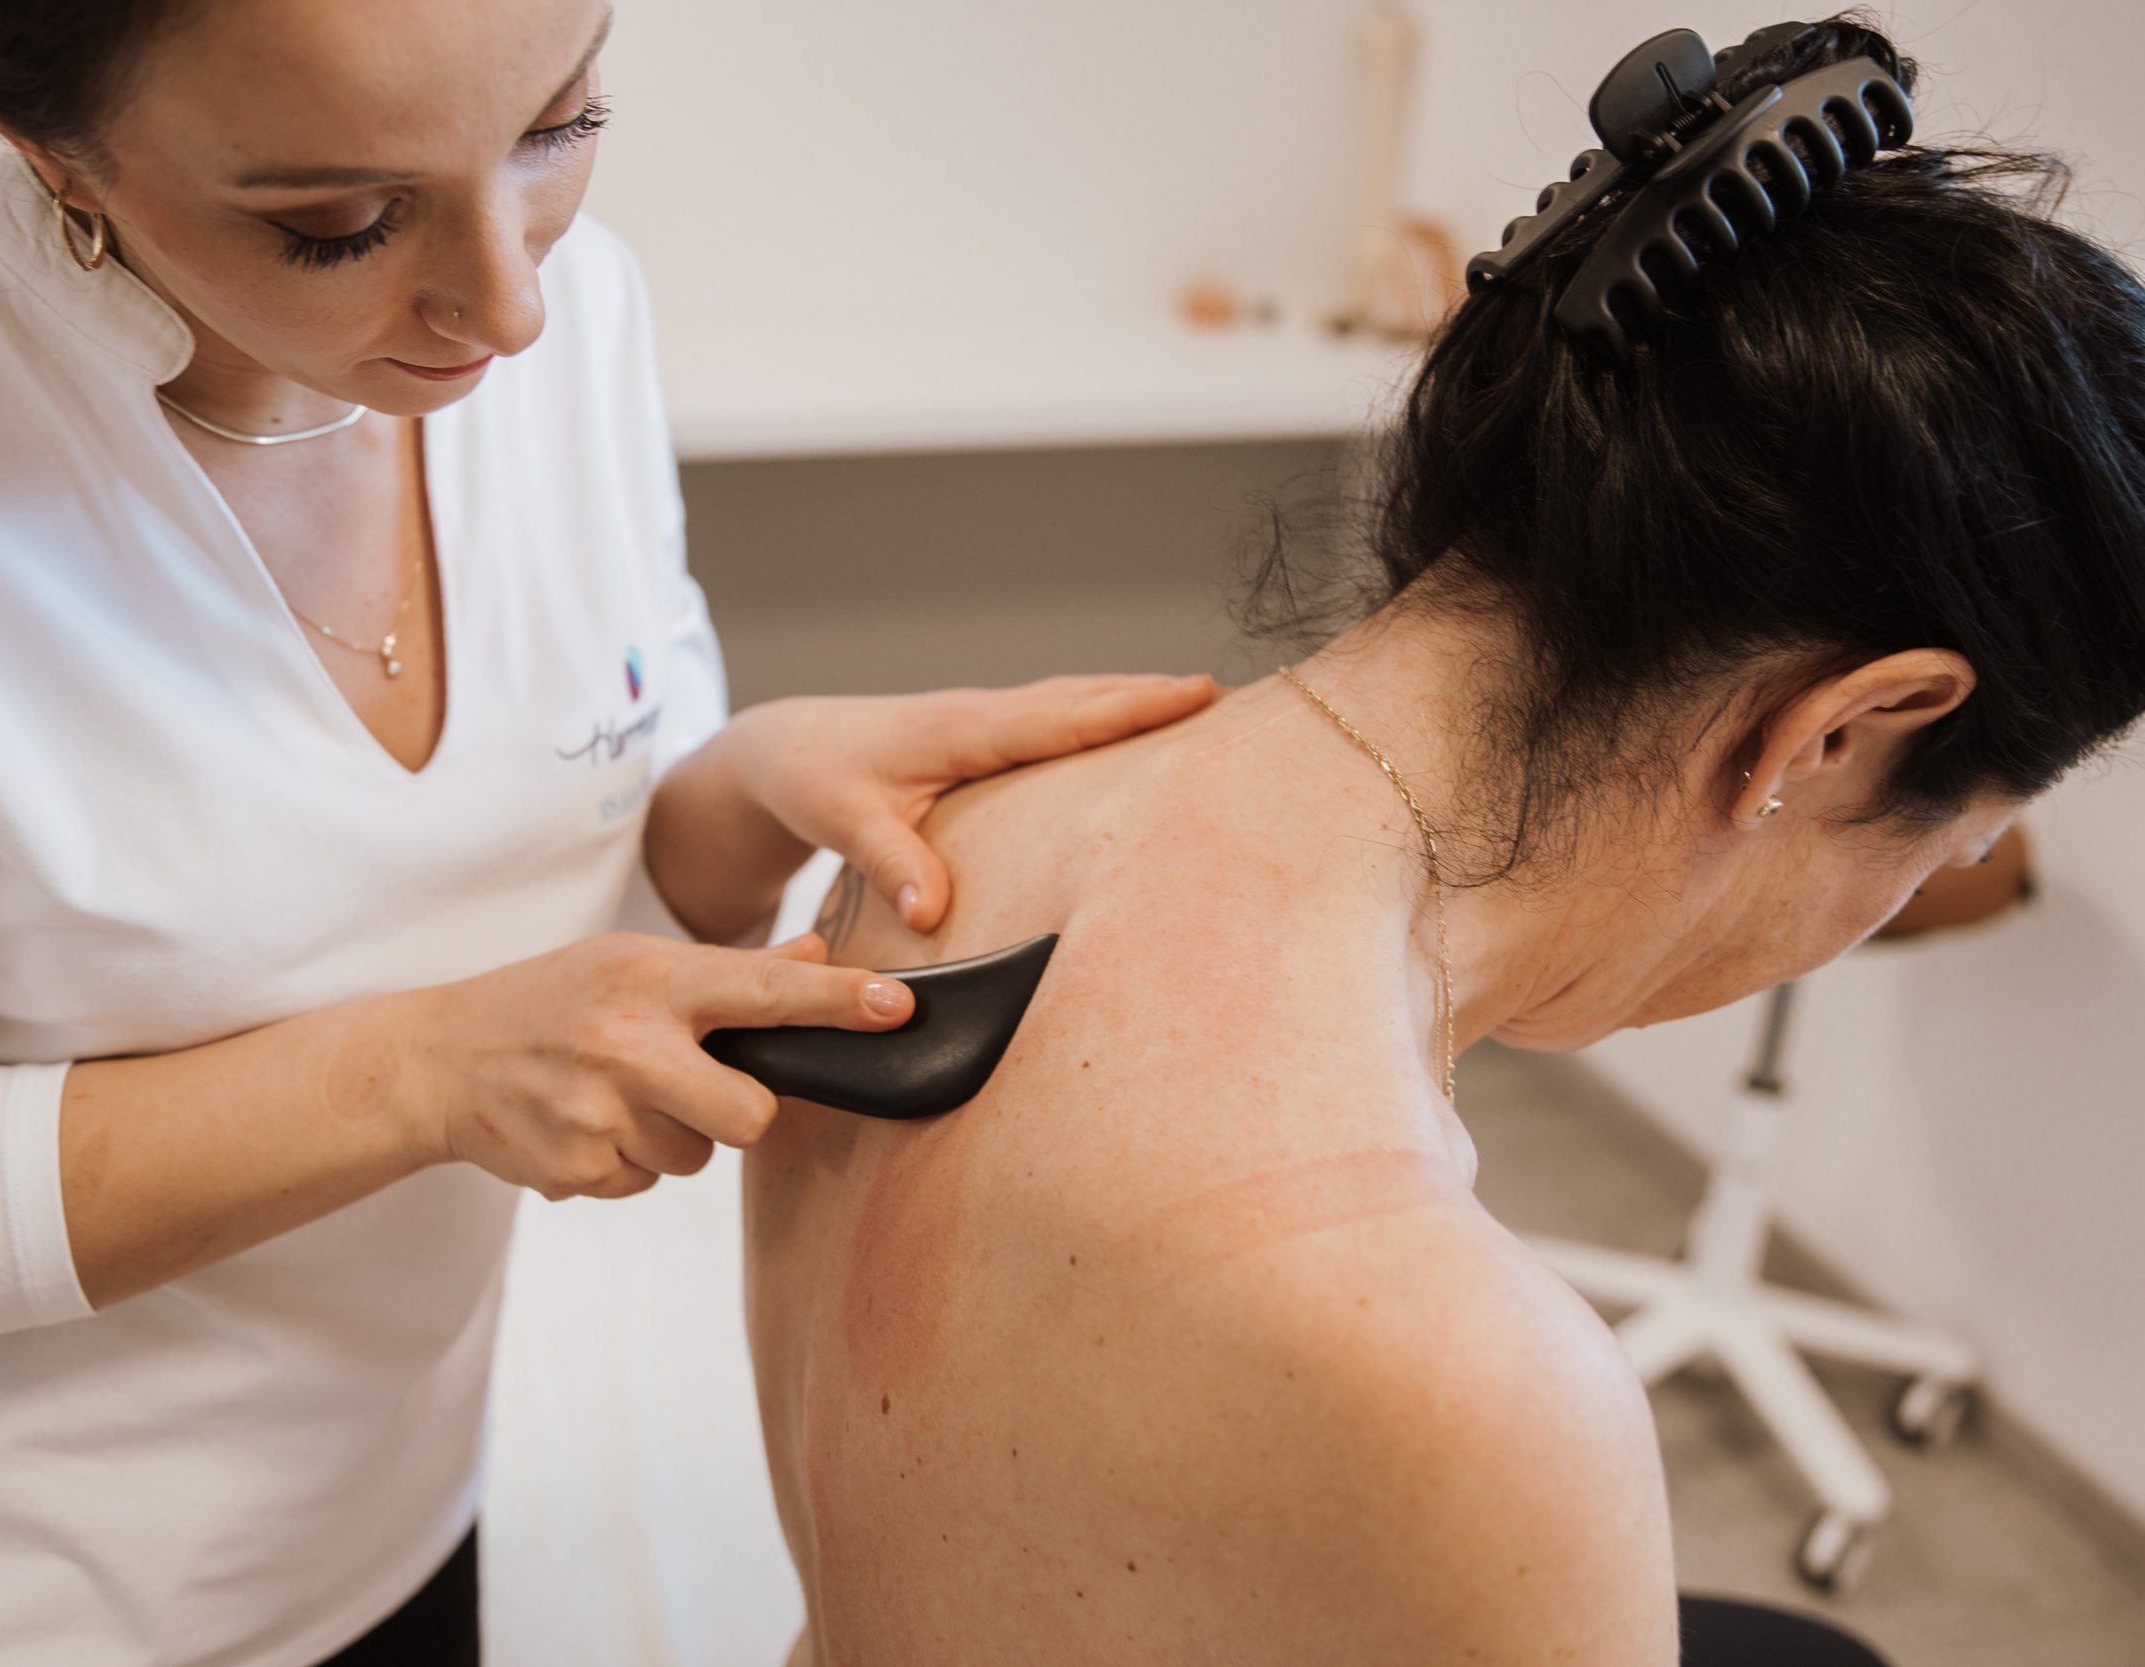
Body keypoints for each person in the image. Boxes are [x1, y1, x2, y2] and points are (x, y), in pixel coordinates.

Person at [0, 0, 1217, 1662]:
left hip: (399, 1534)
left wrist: (742, 790)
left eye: (560, 124)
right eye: (340, 224)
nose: (513, 303)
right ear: (42, 139)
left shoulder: (577, 313)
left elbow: (573, 881)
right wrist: (427, 1072)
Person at [744, 17, 2145, 1665]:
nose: (1898, 900)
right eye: (1942, 852)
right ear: (1840, 731)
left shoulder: (938, 835)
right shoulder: (1479, 1388)